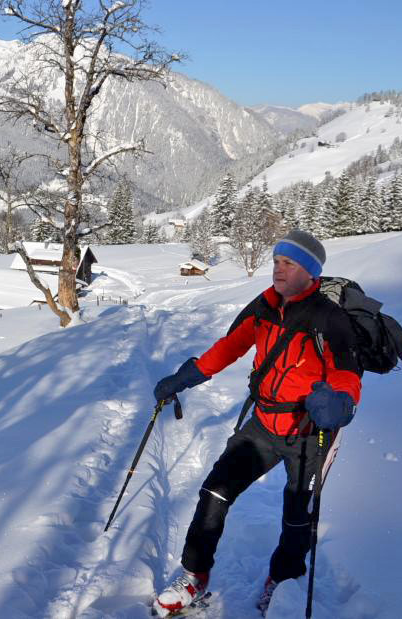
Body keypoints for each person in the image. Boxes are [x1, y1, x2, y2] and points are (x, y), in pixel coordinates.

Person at [151, 230, 361, 618]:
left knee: (298, 516)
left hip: (310, 433)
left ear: (310, 272)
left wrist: (340, 403)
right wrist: (185, 378)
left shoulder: (330, 319)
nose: (278, 269)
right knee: (215, 492)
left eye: (289, 263)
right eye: (277, 261)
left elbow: (348, 374)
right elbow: (228, 348)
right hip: (263, 425)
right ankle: (195, 575)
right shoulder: (264, 306)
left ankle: (282, 580)